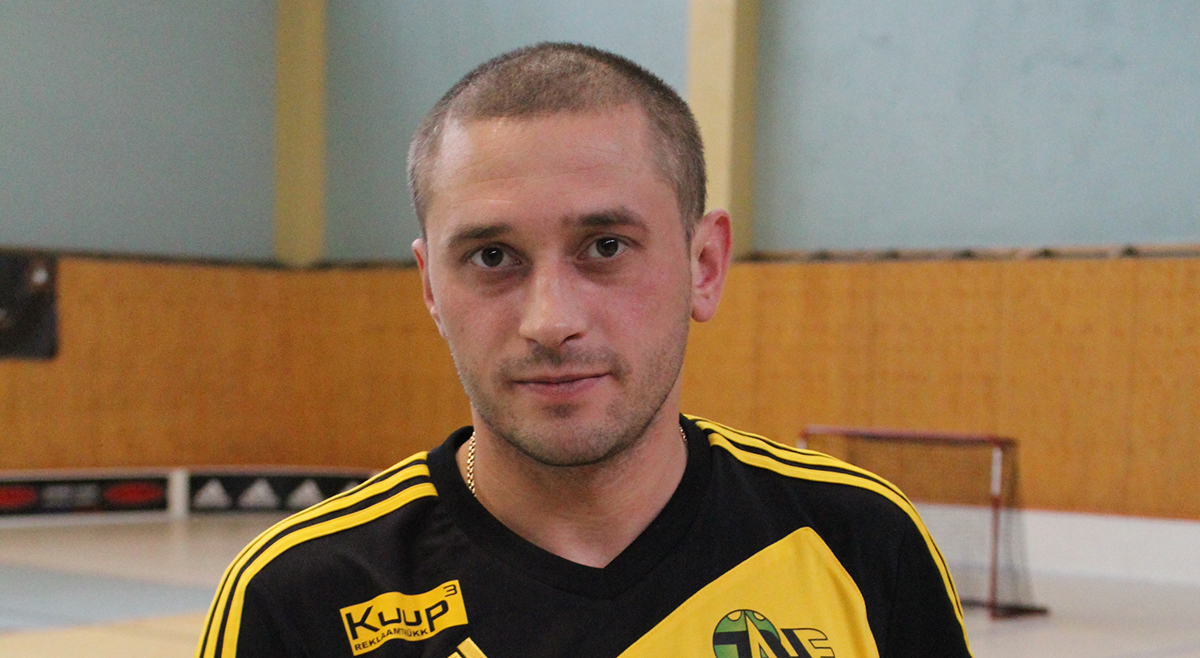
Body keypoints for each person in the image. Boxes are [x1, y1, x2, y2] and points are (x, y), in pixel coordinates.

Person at [197, 43, 972, 658]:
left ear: (704, 266)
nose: (551, 321)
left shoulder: (859, 542)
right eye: (492, 257)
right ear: (431, 286)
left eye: (605, 246)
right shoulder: (298, 598)